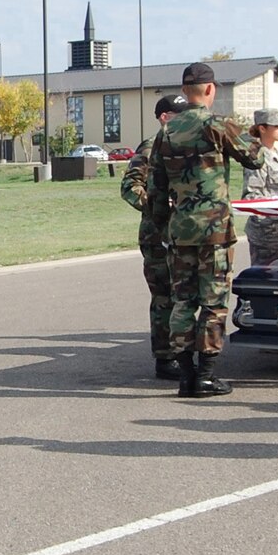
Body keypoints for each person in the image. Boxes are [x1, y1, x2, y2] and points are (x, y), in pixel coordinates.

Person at [152, 63, 265, 398]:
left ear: (185, 90)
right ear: (211, 89)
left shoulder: (167, 131)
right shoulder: (216, 125)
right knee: (214, 302)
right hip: (214, 231)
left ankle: (185, 375)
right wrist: (253, 135)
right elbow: (254, 158)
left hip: (181, 230)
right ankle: (206, 374)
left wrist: (162, 227)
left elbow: (156, 188)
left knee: (182, 301)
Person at [121, 95, 178, 380]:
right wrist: (158, 205)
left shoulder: (185, 145)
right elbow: (130, 187)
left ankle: (185, 352)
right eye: (178, 114)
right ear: (165, 117)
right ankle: (165, 359)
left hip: (183, 234)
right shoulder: (151, 146)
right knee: (164, 297)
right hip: (158, 235)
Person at [241, 108, 278, 266]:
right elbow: (251, 197)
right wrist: (274, 202)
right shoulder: (258, 158)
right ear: (262, 128)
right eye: (277, 126)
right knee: (268, 283)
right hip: (267, 235)